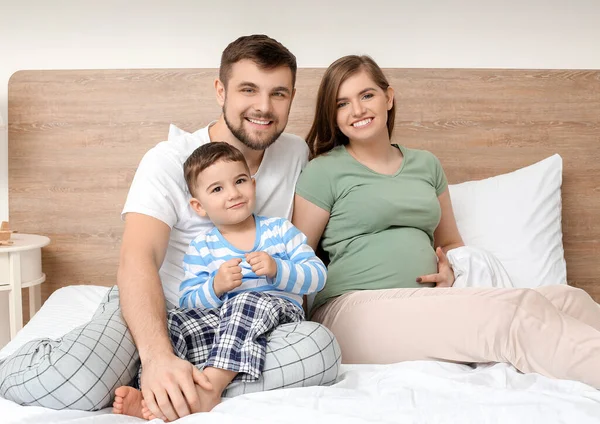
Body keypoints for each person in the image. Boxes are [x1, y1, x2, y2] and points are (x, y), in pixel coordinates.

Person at [0, 35, 341, 420]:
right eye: (249, 90)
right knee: (75, 382)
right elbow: (137, 258)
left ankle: (177, 390)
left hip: (243, 323)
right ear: (221, 90)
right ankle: (154, 373)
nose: (263, 107)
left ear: (292, 97)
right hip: (163, 309)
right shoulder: (169, 159)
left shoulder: (296, 153)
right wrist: (158, 355)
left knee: (320, 350)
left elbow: (315, 243)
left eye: (278, 94)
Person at [292, 54, 600, 389]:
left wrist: (450, 269)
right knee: (512, 313)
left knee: (569, 299)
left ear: (388, 97)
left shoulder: (426, 165)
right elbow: (297, 258)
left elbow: (451, 242)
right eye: (342, 103)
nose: (358, 110)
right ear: (333, 115)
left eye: (366, 95)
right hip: (351, 310)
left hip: (426, 302)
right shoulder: (323, 171)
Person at [114, 142, 327, 419]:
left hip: (280, 319)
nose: (233, 193)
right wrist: (215, 286)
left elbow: (317, 276)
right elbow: (189, 301)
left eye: (240, 181)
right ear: (198, 206)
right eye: (218, 189)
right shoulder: (202, 248)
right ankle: (156, 395)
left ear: (252, 184)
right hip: (224, 323)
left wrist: (278, 269)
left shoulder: (280, 230)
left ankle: (210, 389)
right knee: (174, 322)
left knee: (248, 300)